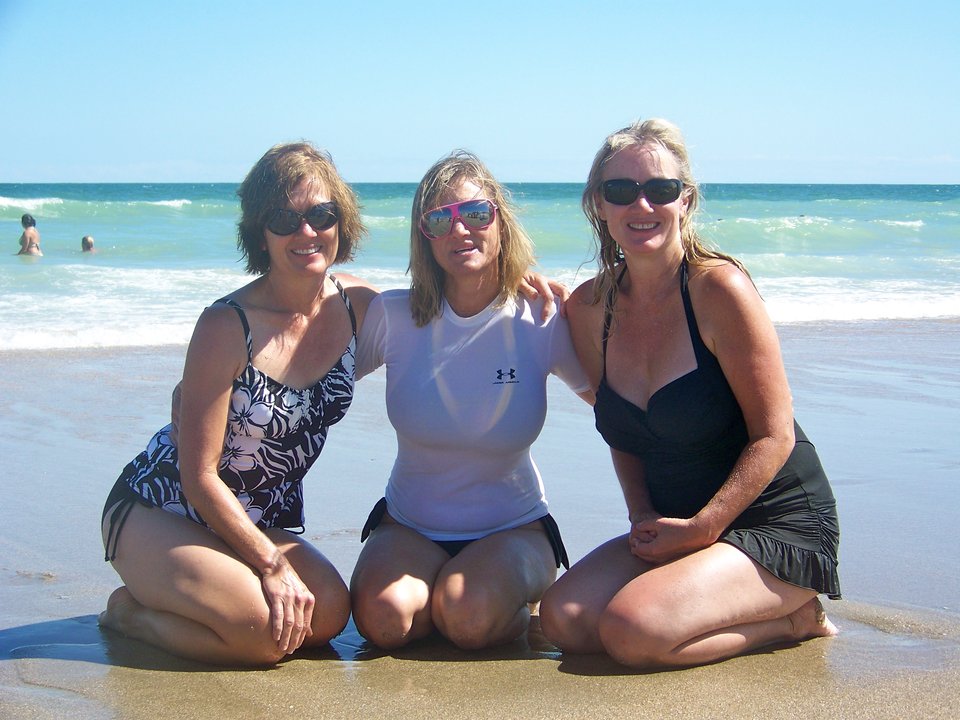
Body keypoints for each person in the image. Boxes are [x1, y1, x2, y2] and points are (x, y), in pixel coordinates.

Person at [539, 119, 841, 670]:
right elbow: (622, 430)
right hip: (677, 522)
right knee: (564, 620)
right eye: (620, 190)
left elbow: (774, 435)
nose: (641, 204)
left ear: (686, 200)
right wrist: (642, 514)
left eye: (660, 188)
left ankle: (794, 617)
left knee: (632, 632)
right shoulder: (588, 309)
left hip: (771, 522)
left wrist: (706, 527)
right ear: (598, 205)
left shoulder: (719, 289)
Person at [99, 142, 378, 666]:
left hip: (254, 520)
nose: (306, 232)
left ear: (342, 219)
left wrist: (514, 280)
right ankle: (128, 613)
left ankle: (216, 593)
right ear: (259, 233)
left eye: (321, 214)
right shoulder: (226, 325)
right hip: (163, 509)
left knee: (327, 615)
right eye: (284, 219)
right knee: (265, 636)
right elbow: (198, 476)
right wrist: (272, 565)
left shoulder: (356, 306)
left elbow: (438, 320)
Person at [349, 150, 593, 651]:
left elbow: (615, 406)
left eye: (476, 213)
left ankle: (489, 602)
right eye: (440, 219)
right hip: (409, 526)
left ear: (500, 222)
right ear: (424, 236)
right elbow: (312, 383)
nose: (460, 229)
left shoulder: (542, 317)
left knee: (467, 615)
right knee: (383, 620)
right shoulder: (393, 316)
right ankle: (446, 598)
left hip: (513, 529)